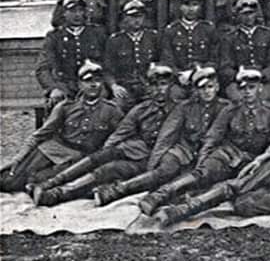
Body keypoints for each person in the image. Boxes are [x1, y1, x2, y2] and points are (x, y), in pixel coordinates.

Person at [138, 66, 270, 216]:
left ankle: (183, 209)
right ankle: (159, 195)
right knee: (201, 175)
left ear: (260, 88)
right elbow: (212, 138)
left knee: (232, 187)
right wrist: (202, 164)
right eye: (243, 88)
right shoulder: (230, 110)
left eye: (251, 87)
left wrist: (261, 161)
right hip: (227, 155)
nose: (247, 92)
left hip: (252, 160)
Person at [30, 64, 176, 206]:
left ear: (171, 86)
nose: (159, 89)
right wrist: (105, 153)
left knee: (110, 169)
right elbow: (120, 133)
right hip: (139, 154)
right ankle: (50, 184)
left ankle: (58, 194)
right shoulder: (140, 110)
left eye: (163, 84)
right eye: (154, 85)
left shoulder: (179, 109)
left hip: (159, 162)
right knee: (102, 157)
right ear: (148, 88)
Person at [92, 65, 230, 206]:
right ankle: (116, 191)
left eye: (210, 87)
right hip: (182, 152)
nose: (206, 91)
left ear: (217, 87)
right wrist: (152, 166)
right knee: (164, 171)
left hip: (209, 155)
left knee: (196, 180)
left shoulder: (226, 108)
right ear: (195, 90)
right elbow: (166, 137)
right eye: (202, 88)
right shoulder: (184, 107)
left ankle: (156, 199)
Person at [1, 61, 123, 193]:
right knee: (10, 182)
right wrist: (19, 158)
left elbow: (120, 137)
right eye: (88, 81)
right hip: (53, 151)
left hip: (79, 159)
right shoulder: (65, 107)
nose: (93, 85)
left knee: (44, 181)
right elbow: (39, 135)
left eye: (97, 81)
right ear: (80, 84)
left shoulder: (112, 110)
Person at [36, 0, 107, 108]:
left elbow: (108, 63)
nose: (77, 15)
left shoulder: (97, 33)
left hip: (92, 83)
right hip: (66, 85)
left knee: (104, 103)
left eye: (81, 10)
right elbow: (43, 68)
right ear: (64, 13)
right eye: (73, 11)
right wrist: (53, 88)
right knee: (58, 104)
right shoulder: (55, 37)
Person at [104, 0, 160, 111]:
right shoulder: (115, 40)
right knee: (116, 107)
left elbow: (162, 60)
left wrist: (155, 69)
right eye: (132, 17)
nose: (137, 20)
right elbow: (107, 70)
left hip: (148, 87)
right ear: (125, 18)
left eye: (140, 16)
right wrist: (114, 86)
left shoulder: (153, 37)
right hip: (125, 87)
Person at [217, 0, 270, 98]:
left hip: (262, 80)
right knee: (236, 96)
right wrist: (237, 75)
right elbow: (225, 67)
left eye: (251, 13)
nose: (248, 17)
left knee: (266, 96)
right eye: (244, 14)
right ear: (237, 15)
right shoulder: (230, 38)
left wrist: (262, 74)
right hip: (239, 80)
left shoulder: (267, 34)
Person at [159, 0, 218, 72]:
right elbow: (168, 60)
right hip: (180, 76)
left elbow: (214, 58)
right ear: (180, 6)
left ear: (200, 6)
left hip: (204, 75)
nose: (191, 9)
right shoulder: (171, 30)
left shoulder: (208, 29)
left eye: (195, 5)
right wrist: (179, 74)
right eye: (186, 4)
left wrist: (203, 71)